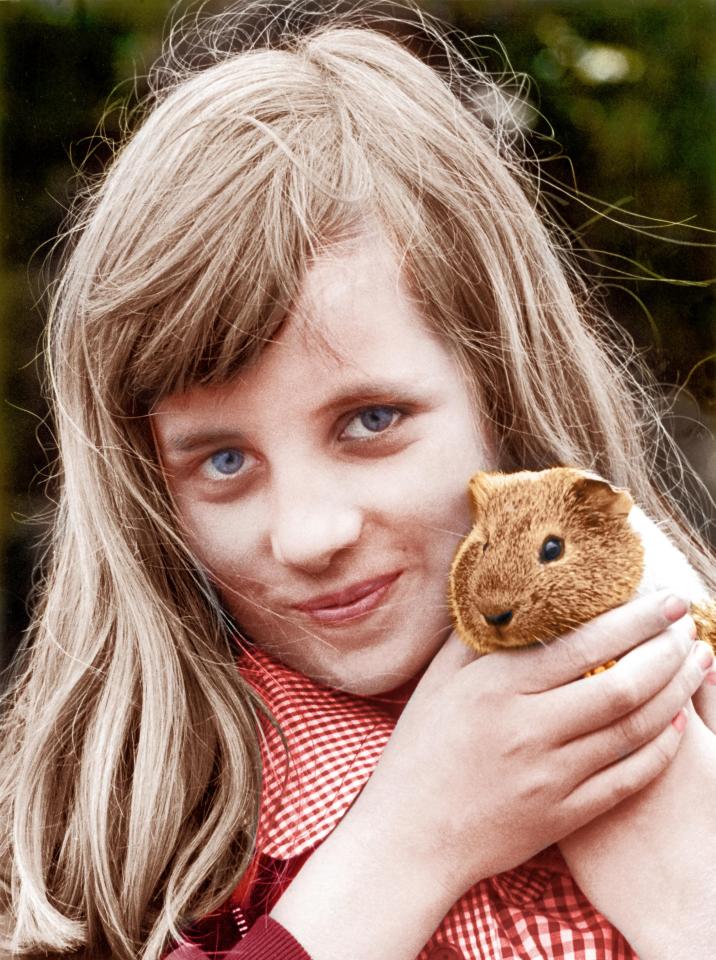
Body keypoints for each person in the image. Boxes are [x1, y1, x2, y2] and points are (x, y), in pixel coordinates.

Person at [1, 2, 715, 959]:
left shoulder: (691, 694)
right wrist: (411, 844)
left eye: (370, 421)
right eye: (222, 461)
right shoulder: (123, 833)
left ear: (503, 387)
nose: (306, 533)